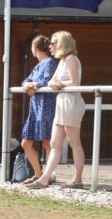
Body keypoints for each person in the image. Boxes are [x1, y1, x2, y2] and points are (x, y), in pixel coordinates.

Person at [28, 31, 87, 189]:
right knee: (54, 143)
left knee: (74, 142)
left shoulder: (71, 59)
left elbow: (75, 83)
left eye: (53, 43)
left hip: (71, 102)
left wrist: (59, 83)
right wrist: (56, 83)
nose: (50, 46)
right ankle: (44, 178)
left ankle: (77, 179)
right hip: (62, 102)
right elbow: (52, 81)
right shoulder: (61, 61)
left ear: (62, 43)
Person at [19, 35, 58, 182]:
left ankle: (47, 176)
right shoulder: (38, 65)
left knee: (47, 142)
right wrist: (28, 85)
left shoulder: (49, 63)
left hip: (46, 106)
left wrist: (33, 85)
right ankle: (38, 173)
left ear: (34, 48)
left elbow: (46, 80)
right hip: (35, 108)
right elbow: (26, 80)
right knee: (26, 143)